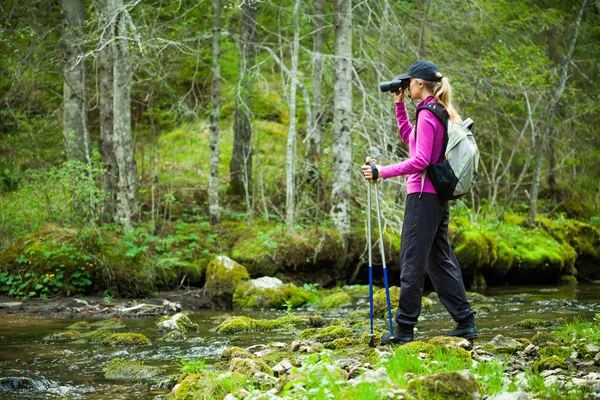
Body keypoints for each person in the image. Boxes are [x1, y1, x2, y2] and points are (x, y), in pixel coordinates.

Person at [362, 60, 477, 345]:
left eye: (410, 82)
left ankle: (404, 331)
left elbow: (421, 160)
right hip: (434, 198)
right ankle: (465, 322)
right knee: (440, 261)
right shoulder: (435, 112)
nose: (407, 86)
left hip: (423, 196)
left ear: (420, 84)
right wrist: (399, 106)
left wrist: (381, 172)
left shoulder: (427, 113)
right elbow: (410, 139)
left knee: (412, 262)